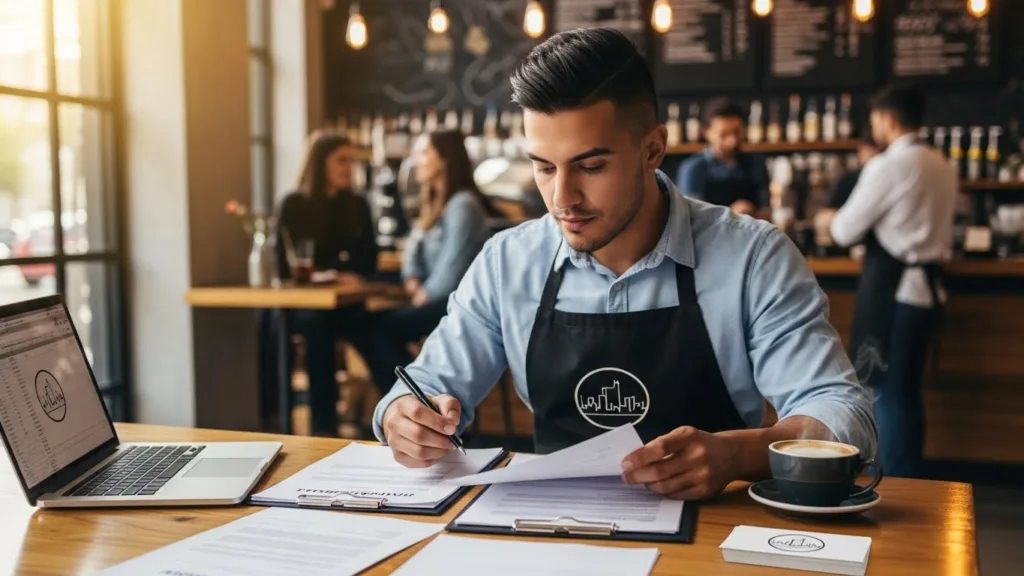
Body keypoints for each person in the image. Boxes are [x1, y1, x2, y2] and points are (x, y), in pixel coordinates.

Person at [373, 28, 876, 501]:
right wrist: (404, 417)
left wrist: (737, 455)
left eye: (591, 166)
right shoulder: (508, 262)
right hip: (553, 529)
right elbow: (424, 383)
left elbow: (843, 414)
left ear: (652, 149)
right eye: (544, 167)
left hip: (711, 539)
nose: (562, 197)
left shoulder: (752, 257)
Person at [819, 86, 957, 479]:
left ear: (888, 119)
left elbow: (845, 230)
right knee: (907, 393)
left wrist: (828, 220)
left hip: (894, 294)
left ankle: (895, 482)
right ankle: (907, 475)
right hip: (928, 293)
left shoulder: (889, 165)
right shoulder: (940, 162)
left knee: (886, 391)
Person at [361, 129, 494, 391]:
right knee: (368, 326)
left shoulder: (463, 205)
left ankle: (419, 402)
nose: (416, 159)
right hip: (437, 301)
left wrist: (423, 294)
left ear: (443, 159)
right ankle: (412, 400)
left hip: (457, 306)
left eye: (423, 153)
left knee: (380, 331)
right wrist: (411, 276)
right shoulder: (435, 204)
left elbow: (453, 270)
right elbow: (413, 248)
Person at [275, 131, 378, 436]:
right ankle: (324, 428)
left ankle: (399, 413)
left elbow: (368, 260)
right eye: (342, 160)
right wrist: (336, 269)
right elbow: (285, 265)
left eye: (352, 161)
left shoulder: (358, 204)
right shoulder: (293, 204)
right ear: (321, 163)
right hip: (306, 306)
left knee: (376, 331)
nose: (349, 168)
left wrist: (335, 271)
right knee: (317, 326)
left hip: (346, 303)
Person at [675, 98, 770, 218]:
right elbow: (691, 219)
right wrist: (732, 214)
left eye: (736, 132)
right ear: (706, 132)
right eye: (723, 135)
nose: (732, 141)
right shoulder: (693, 169)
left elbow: (767, 212)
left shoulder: (756, 164)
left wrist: (753, 213)